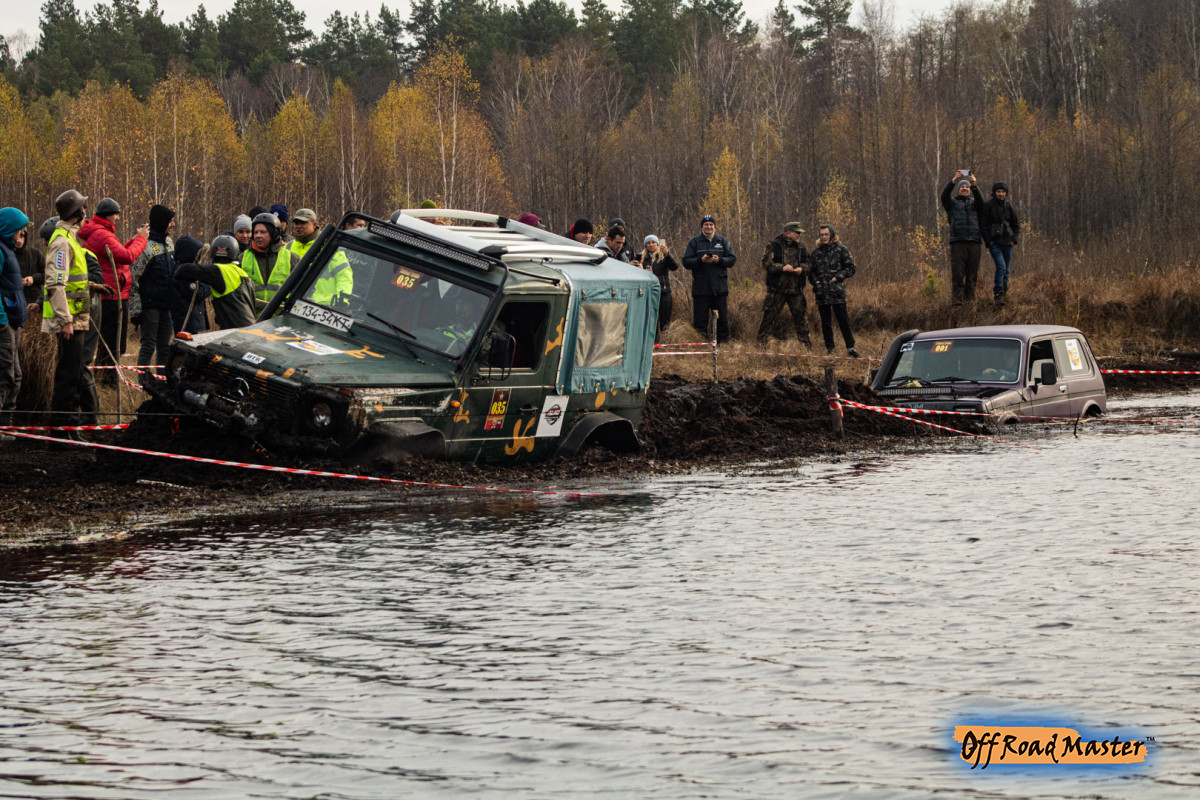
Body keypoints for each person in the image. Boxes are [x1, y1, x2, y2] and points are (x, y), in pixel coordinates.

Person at [42, 190, 97, 440]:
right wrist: (65, 320)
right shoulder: (62, 241)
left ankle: (70, 431)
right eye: (83, 208)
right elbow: (56, 284)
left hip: (77, 320)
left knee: (73, 377)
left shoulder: (70, 238)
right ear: (78, 213)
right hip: (70, 322)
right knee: (67, 378)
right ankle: (63, 435)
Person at [77, 197, 149, 381]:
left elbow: (114, 256)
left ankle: (104, 379)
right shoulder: (103, 234)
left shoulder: (100, 232)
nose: (118, 218)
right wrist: (141, 239)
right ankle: (108, 381)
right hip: (112, 295)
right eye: (116, 214)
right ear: (108, 215)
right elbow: (127, 257)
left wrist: (133, 240)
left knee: (109, 342)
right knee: (113, 344)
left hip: (111, 294)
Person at [130, 204, 177, 382]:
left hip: (167, 304)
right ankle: (143, 381)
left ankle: (162, 379)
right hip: (149, 305)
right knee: (148, 345)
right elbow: (133, 281)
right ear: (162, 222)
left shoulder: (169, 243)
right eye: (170, 221)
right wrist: (135, 311)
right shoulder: (145, 248)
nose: (173, 224)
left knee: (165, 345)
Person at [176, 235, 257, 329]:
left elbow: (182, 271)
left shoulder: (218, 271)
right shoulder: (241, 272)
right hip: (251, 329)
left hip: (236, 334)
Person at [757, 221, 812, 347]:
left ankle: (806, 346)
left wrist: (802, 269)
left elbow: (809, 264)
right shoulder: (774, 245)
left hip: (796, 290)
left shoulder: (801, 247)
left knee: (801, 319)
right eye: (797, 232)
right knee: (769, 317)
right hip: (777, 290)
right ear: (788, 232)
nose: (799, 235)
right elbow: (766, 263)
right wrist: (782, 268)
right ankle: (761, 344)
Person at [682, 214, 737, 343]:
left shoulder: (722, 241)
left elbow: (732, 259)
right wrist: (700, 260)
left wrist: (720, 260)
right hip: (701, 288)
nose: (709, 227)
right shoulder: (694, 242)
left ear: (715, 227)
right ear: (702, 227)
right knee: (700, 321)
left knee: (722, 319)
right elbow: (686, 261)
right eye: (706, 225)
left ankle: (723, 345)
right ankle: (701, 346)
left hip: (719, 288)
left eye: (711, 225)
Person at [0, 207, 30, 438]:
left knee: (15, 373)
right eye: (19, 230)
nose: (22, 234)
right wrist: (1, 321)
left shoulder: (8, 250)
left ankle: (7, 424)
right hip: (4, 324)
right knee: (5, 372)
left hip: (14, 321)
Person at [808, 224, 859, 358]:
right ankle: (830, 348)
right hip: (822, 293)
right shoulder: (816, 252)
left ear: (831, 234)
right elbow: (810, 272)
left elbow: (851, 268)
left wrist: (838, 277)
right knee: (825, 322)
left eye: (826, 234)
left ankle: (850, 347)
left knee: (843, 321)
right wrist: (816, 282)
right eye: (822, 235)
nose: (824, 237)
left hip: (837, 292)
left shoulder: (841, 249)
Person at [291, 209, 352, 306]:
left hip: (325, 307)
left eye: (303, 223)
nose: (298, 226)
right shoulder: (288, 247)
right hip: (294, 305)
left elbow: (344, 276)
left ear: (314, 225)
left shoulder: (329, 247)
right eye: (296, 223)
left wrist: (342, 301)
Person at [940, 170, 984, 304]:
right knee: (958, 273)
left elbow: (982, 204)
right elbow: (944, 196)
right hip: (958, 242)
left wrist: (975, 186)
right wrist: (954, 180)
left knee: (972, 274)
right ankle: (957, 300)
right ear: (958, 190)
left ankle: (970, 301)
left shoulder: (975, 204)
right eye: (962, 187)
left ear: (969, 190)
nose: (965, 188)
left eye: (967, 187)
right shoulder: (952, 203)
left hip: (974, 242)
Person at [241, 212, 299, 311]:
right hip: (251, 322)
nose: (258, 236)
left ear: (274, 233)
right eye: (255, 232)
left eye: (263, 232)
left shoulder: (292, 258)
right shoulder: (242, 258)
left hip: (281, 321)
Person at [981, 181, 1021, 307]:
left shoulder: (1009, 207)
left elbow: (1016, 225)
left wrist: (1014, 240)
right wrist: (989, 241)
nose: (1001, 194)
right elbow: (983, 225)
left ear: (1006, 193)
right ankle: (997, 294)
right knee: (1001, 267)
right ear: (994, 193)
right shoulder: (988, 206)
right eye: (998, 191)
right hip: (995, 243)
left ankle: (1004, 294)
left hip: (1007, 243)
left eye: (1003, 192)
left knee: (1006, 270)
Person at [637, 234, 678, 332]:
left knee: (665, 321)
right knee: (651, 321)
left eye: (653, 242)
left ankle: (665, 342)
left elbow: (674, 267)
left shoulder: (663, 256)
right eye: (648, 243)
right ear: (645, 245)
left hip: (664, 291)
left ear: (658, 244)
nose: (651, 245)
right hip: (648, 293)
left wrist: (668, 254)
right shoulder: (641, 258)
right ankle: (653, 343)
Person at [169, 237, 210, 334]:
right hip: (187, 320)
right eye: (198, 255)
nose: (200, 258)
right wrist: (209, 285)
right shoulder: (183, 272)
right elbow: (197, 294)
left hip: (190, 318)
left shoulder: (188, 270)